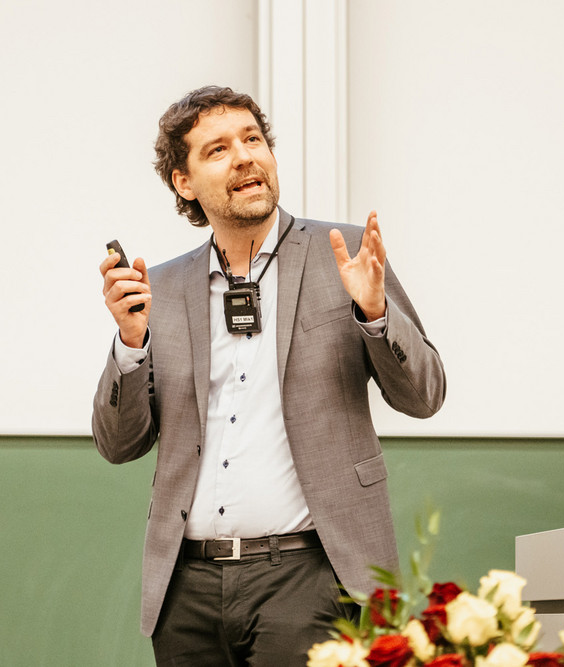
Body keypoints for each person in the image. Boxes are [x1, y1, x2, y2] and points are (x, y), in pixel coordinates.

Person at [93, 85, 446, 666]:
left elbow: (424, 395)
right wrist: (131, 345)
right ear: (184, 182)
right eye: (218, 149)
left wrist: (375, 314)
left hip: (309, 576)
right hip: (186, 589)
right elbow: (118, 444)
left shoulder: (346, 256)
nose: (245, 157)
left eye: (253, 139)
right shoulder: (162, 289)